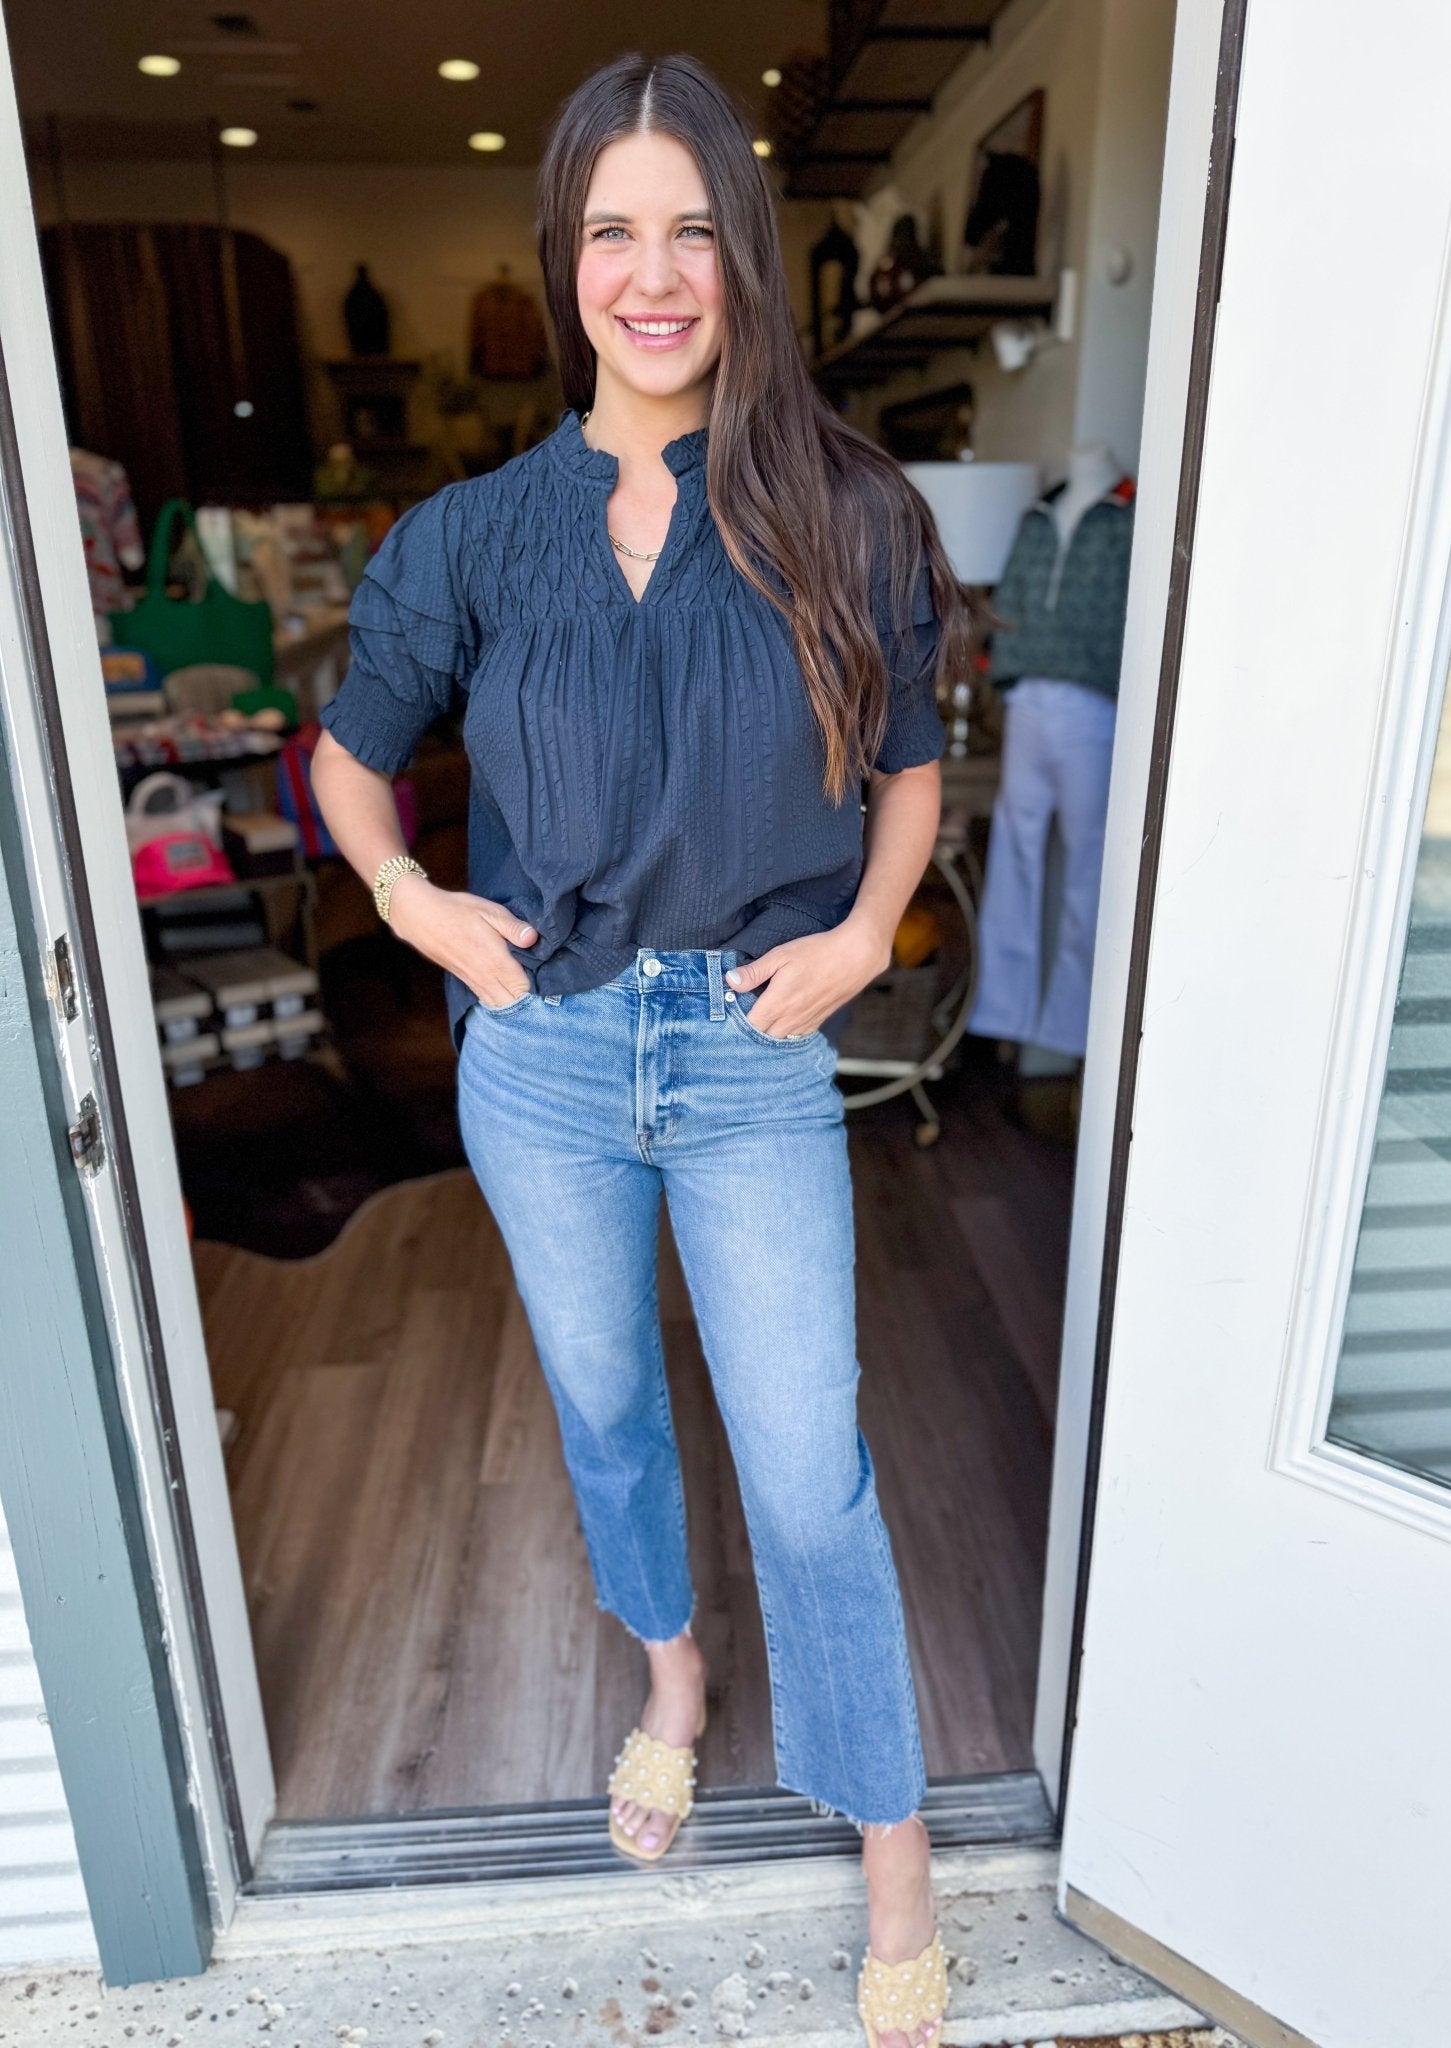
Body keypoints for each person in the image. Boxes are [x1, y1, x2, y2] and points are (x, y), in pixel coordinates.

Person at [311, 53, 964, 2048]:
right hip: (548, 1055)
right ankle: (674, 1681)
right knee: (605, 1407)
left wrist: (862, 933)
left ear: (744, 255)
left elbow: (912, 763)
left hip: (757, 1046)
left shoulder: (847, 510)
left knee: (809, 1466)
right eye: (614, 232)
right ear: (565, 258)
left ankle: (896, 1846)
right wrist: (417, 905)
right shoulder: (476, 534)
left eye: (693, 232)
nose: (654, 276)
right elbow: (348, 758)